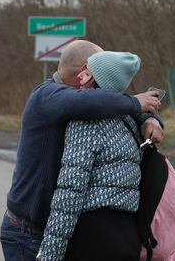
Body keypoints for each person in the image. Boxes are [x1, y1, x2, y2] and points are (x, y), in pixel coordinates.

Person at [0, 40, 164, 261]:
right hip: (27, 231)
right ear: (85, 69)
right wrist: (135, 103)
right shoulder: (47, 95)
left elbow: (112, 102)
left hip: (57, 230)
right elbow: (94, 102)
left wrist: (150, 118)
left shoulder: (91, 102)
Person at [37, 51, 147, 261]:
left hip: (93, 238)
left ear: (96, 79)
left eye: (86, 71)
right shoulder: (129, 120)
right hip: (127, 236)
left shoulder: (86, 123)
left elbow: (69, 194)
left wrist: (49, 255)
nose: (80, 76)